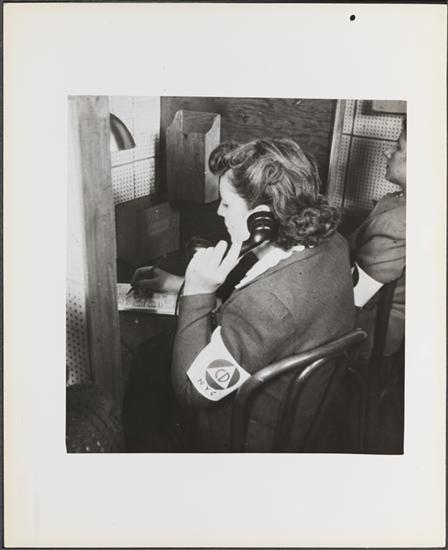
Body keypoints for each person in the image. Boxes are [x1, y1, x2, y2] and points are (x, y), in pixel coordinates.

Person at [133, 138, 355, 451]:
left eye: (226, 203)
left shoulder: (266, 304)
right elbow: (270, 302)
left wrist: (197, 292)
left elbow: (190, 392)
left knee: (143, 381)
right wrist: (180, 283)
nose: (219, 211)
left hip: (244, 435)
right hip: (306, 414)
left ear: (261, 219)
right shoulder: (334, 244)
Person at [349, 119, 406, 359]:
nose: (387, 151)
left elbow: (354, 297)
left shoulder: (399, 223)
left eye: (399, 147)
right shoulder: (399, 201)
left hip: (365, 334)